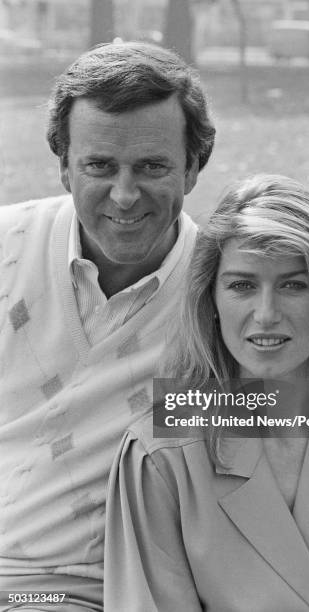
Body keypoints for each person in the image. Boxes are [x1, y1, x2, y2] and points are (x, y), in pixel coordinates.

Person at [104, 174, 309, 611]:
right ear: (211, 302)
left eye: (293, 285)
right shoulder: (160, 452)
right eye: (242, 285)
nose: (266, 315)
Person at [0, 41, 215, 611]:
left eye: (152, 166)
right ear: (64, 166)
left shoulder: (228, 291)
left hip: (80, 590)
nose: (124, 196)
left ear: (193, 167)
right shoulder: (6, 248)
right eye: (100, 166)